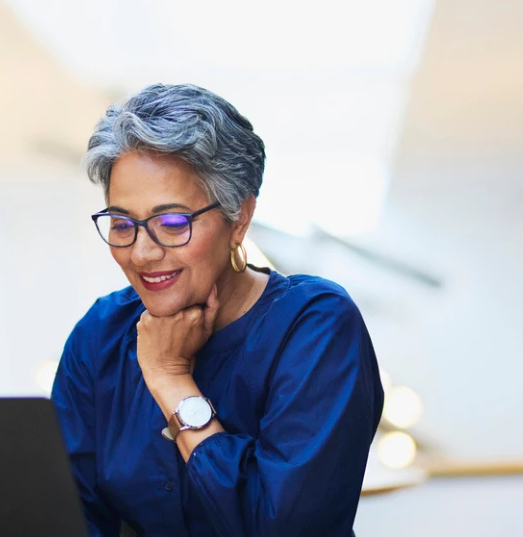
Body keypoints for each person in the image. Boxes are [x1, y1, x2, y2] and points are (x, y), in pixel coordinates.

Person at [51, 84, 384, 536]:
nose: (142, 252)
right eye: (123, 224)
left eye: (172, 223)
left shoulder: (315, 326)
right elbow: (66, 515)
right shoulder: (101, 336)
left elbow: (284, 529)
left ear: (239, 218)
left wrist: (170, 380)